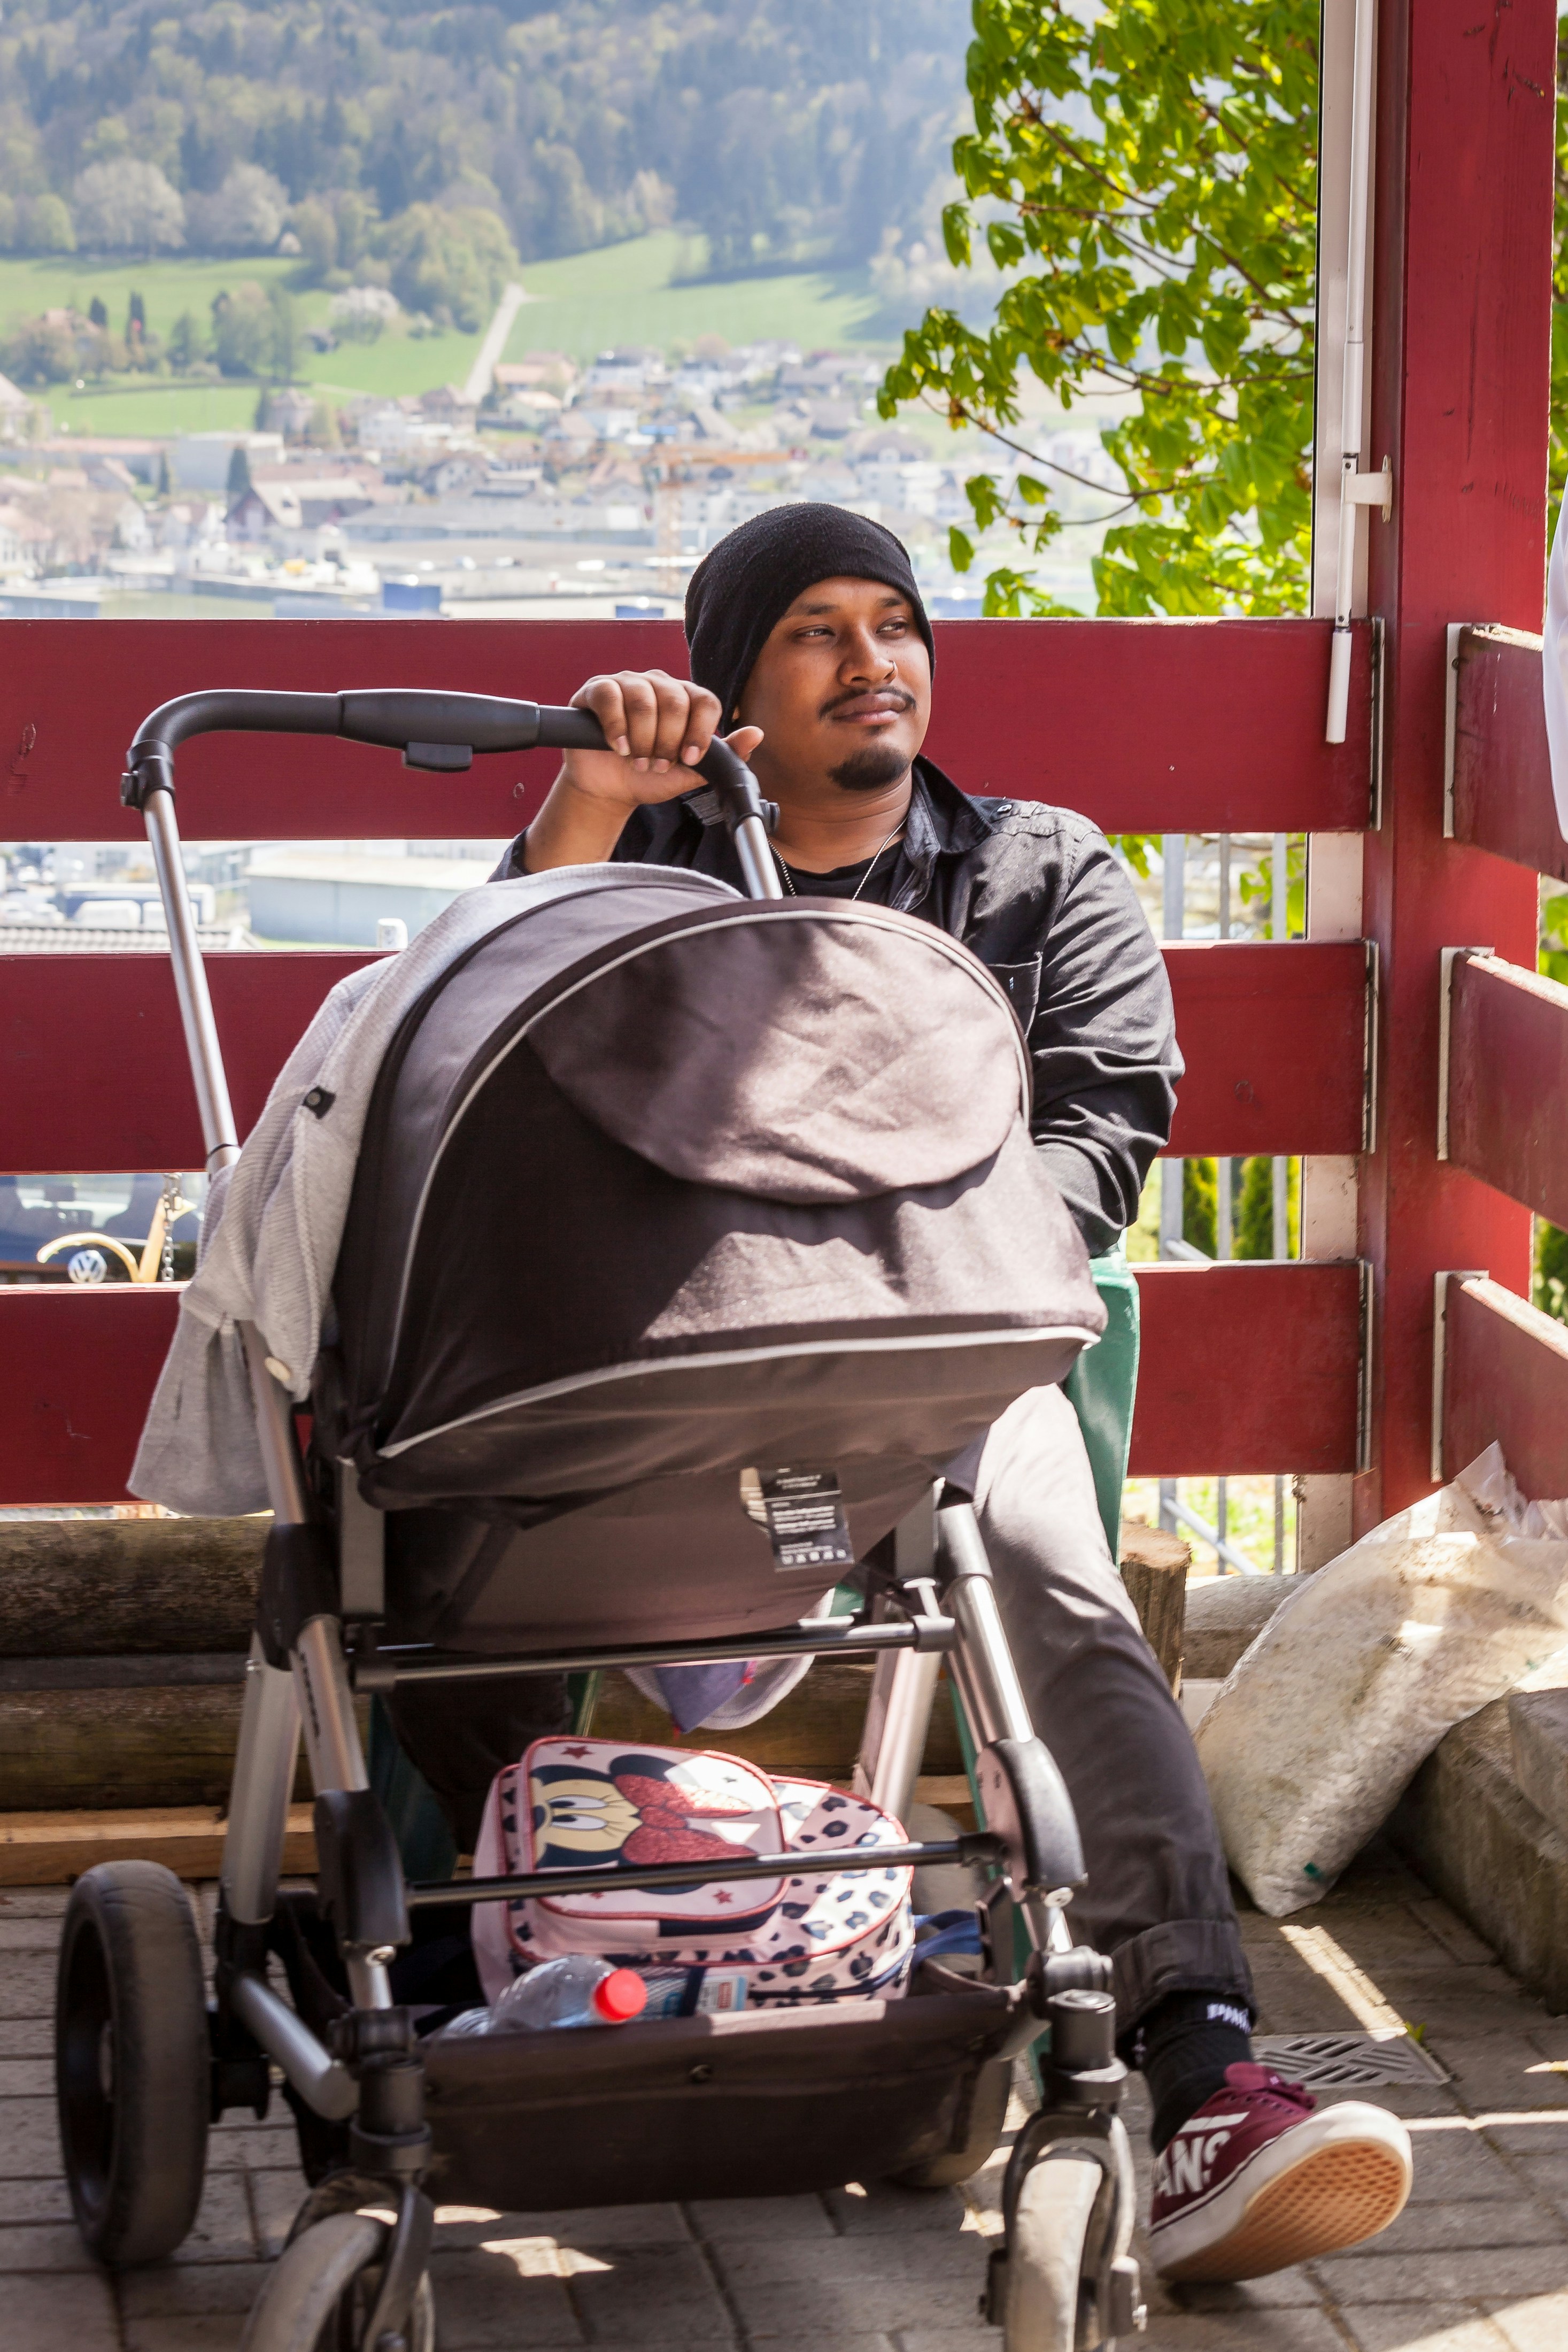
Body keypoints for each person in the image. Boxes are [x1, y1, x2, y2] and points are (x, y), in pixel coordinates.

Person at [496, 504, 1413, 2281]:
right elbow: (477, 1049)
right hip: (675, 1376)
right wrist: (591, 801)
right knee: (446, 1562)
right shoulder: (643, 866)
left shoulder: (1039, 874)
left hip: (944, 1358)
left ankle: (1200, 2067)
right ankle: (459, 1981)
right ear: (731, 688)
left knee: (1053, 1577)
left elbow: (1102, 1134)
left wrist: (891, 1292)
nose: (875, 661)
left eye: (896, 622)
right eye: (819, 631)